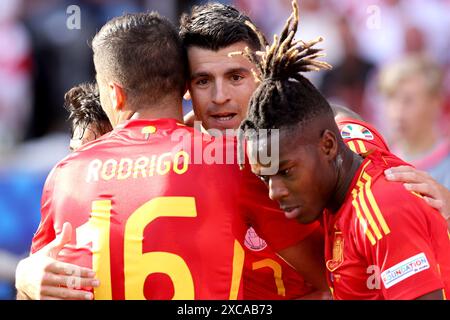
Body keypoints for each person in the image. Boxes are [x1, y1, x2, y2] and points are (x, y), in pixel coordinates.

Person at [16, 11, 327, 300]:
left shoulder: (67, 174)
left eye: (235, 77)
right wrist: (25, 274)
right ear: (185, 89)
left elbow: (336, 278)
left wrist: (24, 277)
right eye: (204, 81)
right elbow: (335, 277)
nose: (220, 97)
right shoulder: (232, 161)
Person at [240, 0, 450, 299]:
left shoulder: (382, 210)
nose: (275, 192)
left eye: (285, 171)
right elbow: (339, 115)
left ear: (327, 145)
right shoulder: (350, 142)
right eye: (266, 177)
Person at [378, 53, 450, 189]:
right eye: (391, 98)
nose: (397, 112)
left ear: (435, 103)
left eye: (408, 100)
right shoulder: (380, 163)